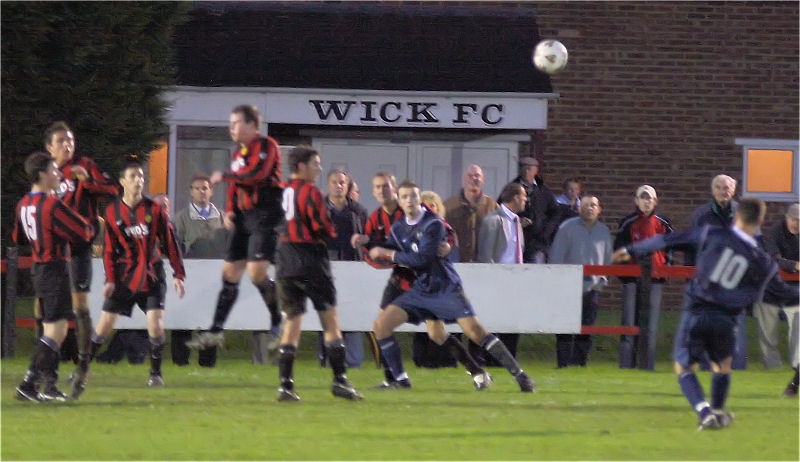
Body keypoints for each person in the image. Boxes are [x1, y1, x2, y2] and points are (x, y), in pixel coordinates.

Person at [612, 196, 799, 430]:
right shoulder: (763, 261)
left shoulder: (713, 234)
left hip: (697, 312)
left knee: (684, 367)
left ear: (737, 216)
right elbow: (785, 294)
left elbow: (669, 239)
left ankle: (704, 411)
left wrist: (632, 249)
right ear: (760, 220)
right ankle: (718, 412)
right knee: (723, 365)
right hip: (727, 319)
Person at [368, 180, 535, 393]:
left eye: (413, 196)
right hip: (421, 289)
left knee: (475, 332)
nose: (410, 200)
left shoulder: (432, 223)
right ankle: (401, 381)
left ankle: (520, 375)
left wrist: (389, 254)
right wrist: (368, 244)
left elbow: (422, 259)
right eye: (405, 197)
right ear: (399, 202)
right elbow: (390, 248)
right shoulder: (399, 227)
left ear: (420, 200)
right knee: (383, 326)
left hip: (445, 287)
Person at [351, 173, 491, 390]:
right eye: (377, 187)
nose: (382, 191)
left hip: (425, 281)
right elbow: (378, 249)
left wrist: (448, 245)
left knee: (436, 334)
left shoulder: (414, 206)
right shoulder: (376, 218)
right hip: (400, 278)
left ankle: (476, 370)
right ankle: (396, 378)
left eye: (386, 186)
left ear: (395, 188)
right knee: (381, 324)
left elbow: (446, 230)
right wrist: (365, 242)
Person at [79, 161, 186, 395]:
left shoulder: (154, 210)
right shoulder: (111, 212)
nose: (139, 180)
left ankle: (155, 373)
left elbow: (169, 242)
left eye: (141, 176)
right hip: (125, 277)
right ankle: (82, 370)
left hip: (151, 274)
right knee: (104, 325)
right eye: (133, 176)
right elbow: (109, 250)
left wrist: (179, 273)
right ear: (123, 182)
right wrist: (110, 279)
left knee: (155, 324)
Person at [186, 104, 284, 351]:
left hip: (265, 215)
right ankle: (216, 330)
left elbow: (257, 175)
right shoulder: (238, 153)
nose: (231, 128)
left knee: (257, 273)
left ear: (252, 125)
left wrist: (227, 176)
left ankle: (277, 321)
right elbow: (236, 187)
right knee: (229, 273)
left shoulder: (266, 146)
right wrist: (230, 210)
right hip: (243, 217)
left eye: (236, 123)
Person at [274, 146, 363, 401]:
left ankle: (285, 386)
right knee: (331, 322)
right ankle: (340, 381)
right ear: (301, 166)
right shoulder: (311, 192)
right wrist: (327, 234)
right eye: (315, 163)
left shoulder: (281, 191)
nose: (319, 168)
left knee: (292, 323)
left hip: (285, 261)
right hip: (311, 260)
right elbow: (322, 226)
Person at [13, 152, 95, 402]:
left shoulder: (23, 203)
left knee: (50, 329)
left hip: (38, 268)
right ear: (41, 175)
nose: (59, 174)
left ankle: (47, 385)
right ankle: (29, 383)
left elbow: (18, 238)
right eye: (54, 170)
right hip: (54, 268)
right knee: (56, 332)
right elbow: (84, 231)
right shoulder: (51, 204)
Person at [45, 121, 118, 378]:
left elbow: (112, 190)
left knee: (81, 307)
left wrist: (87, 182)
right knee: (45, 305)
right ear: (49, 147)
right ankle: (46, 365)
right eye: (62, 141)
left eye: (71, 140)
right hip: (53, 247)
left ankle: (83, 365)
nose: (68, 145)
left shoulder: (84, 165)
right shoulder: (48, 171)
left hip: (78, 245)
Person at [689, 174, 747, 370]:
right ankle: (708, 364)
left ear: (734, 190)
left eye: (728, 187)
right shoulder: (701, 215)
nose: (724, 191)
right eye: (720, 187)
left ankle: (735, 364)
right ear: (713, 190)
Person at [613, 185, 674, 369]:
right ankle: (626, 365)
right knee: (629, 324)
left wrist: (665, 269)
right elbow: (619, 250)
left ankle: (648, 365)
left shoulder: (663, 223)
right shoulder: (627, 222)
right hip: (631, 279)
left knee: (651, 325)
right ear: (636, 200)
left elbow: (670, 249)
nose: (646, 201)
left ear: (655, 201)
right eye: (643, 197)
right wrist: (625, 274)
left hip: (655, 279)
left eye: (650, 198)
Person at [549, 195, 613, 368]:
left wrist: (602, 281)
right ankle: (563, 363)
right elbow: (556, 257)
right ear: (579, 208)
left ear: (599, 209)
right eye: (585, 205)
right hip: (568, 287)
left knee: (587, 329)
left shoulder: (604, 231)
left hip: (592, 288)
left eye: (593, 205)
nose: (590, 208)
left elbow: (607, 259)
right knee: (564, 329)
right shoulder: (566, 228)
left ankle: (579, 363)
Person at [317, 168, 368, 369]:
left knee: (352, 316)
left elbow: (366, 237)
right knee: (326, 315)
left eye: (342, 183)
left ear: (347, 186)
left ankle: (354, 361)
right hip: (324, 269)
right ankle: (327, 359)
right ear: (328, 185)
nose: (339, 186)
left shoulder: (359, 211)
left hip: (353, 270)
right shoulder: (318, 209)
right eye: (334, 182)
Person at [171, 177, 224, 367]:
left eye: (205, 188)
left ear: (211, 191)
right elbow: (174, 246)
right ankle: (180, 359)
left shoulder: (222, 217)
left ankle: (208, 361)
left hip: (214, 279)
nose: (202, 192)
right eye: (198, 188)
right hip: (189, 277)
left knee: (210, 321)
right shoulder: (181, 218)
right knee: (183, 319)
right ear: (191, 191)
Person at [474, 182, 528, 365]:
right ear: (515, 197)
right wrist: (490, 282)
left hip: (516, 280)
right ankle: (491, 359)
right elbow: (486, 254)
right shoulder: (493, 220)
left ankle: (509, 358)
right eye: (524, 196)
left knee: (512, 323)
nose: (526, 200)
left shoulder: (516, 221)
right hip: (497, 280)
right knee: (493, 322)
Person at [754, 203, 799, 396]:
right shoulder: (774, 233)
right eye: (795, 220)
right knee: (769, 334)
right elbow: (773, 259)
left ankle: (795, 382)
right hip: (775, 290)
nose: (797, 224)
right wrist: (794, 265)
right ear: (787, 218)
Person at [412, 190, 460, 369]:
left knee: (439, 322)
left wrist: (446, 247)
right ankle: (423, 359)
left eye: (432, 206)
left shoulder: (443, 226)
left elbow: (449, 242)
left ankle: (446, 359)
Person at [442, 164, 498, 263]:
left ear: (483, 179)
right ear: (464, 179)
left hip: (484, 265)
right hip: (456, 263)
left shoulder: (492, 206)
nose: (473, 178)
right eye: (470, 175)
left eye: (477, 175)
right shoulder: (449, 205)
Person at [509, 157, 560, 264]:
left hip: (538, 244)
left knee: (536, 273)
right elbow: (503, 209)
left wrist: (545, 232)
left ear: (535, 170)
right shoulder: (511, 189)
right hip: (515, 241)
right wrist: (517, 221)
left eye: (529, 169)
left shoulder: (543, 190)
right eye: (523, 169)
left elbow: (555, 213)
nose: (526, 172)